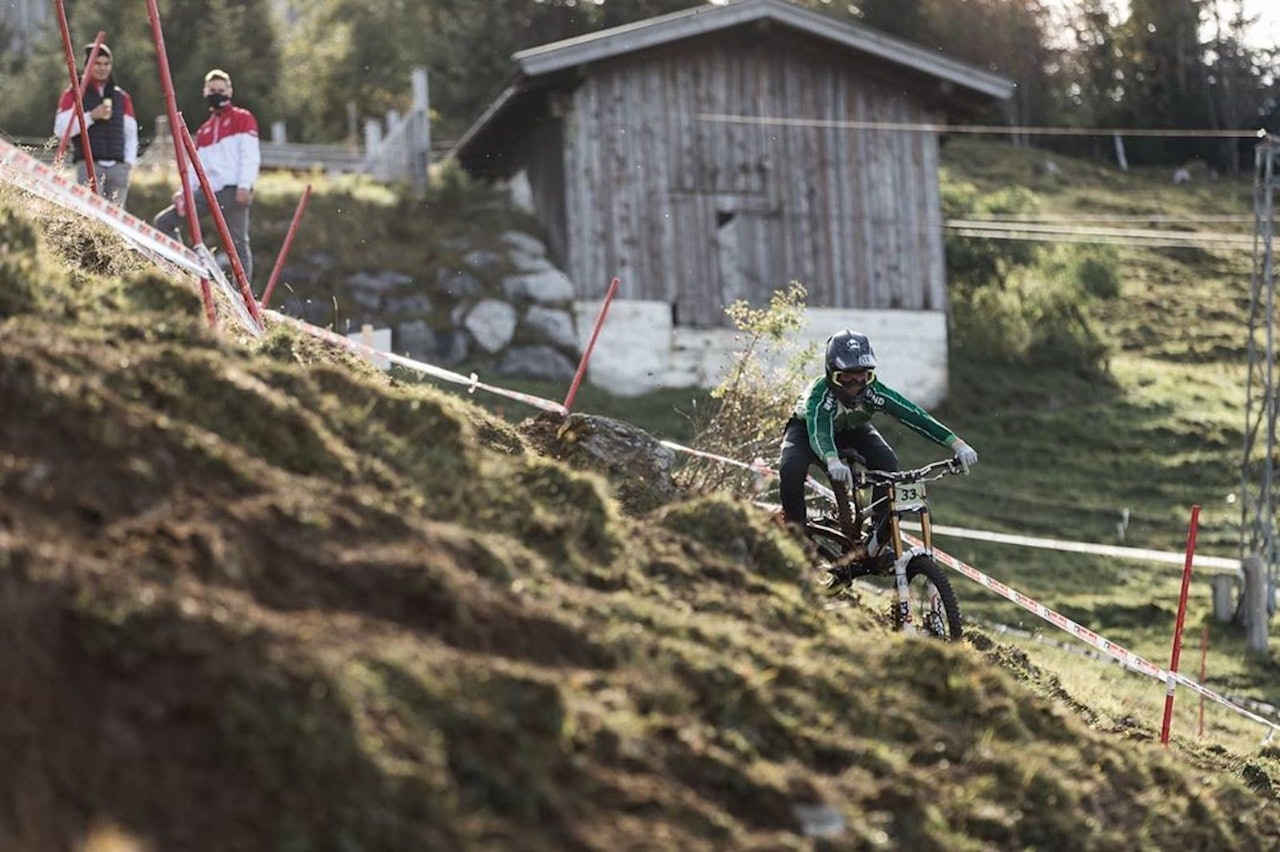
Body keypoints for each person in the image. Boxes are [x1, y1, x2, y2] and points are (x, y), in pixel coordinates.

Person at [778, 329, 978, 551]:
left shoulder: (874, 392)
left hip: (853, 427)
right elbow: (820, 432)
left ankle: (879, 537)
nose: (856, 383)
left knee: (888, 463)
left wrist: (957, 444)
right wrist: (831, 459)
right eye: (846, 376)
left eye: (863, 375)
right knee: (790, 469)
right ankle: (796, 535)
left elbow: (914, 415)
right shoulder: (820, 395)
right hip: (807, 430)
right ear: (831, 373)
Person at [153, 68, 260, 282]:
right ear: (205, 92)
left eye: (221, 89)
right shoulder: (205, 130)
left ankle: (243, 294)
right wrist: (184, 192)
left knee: (237, 242)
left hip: (232, 190)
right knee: (164, 221)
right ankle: (185, 272)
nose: (217, 93)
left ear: (229, 91)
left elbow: (250, 155)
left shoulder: (243, 119)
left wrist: (245, 185)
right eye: (213, 90)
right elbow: (196, 167)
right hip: (206, 191)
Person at [53, 44, 138, 207]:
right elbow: (61, 129)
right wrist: (91, 116)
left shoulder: (121, 97)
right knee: (92, 217)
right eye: (97, 64)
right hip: (88, 164)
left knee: (119, 222)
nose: (102, 68)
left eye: (106, 64)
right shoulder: (73, 93)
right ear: (88, 66)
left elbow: (131, 133)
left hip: (118, 168)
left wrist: (128, 163)